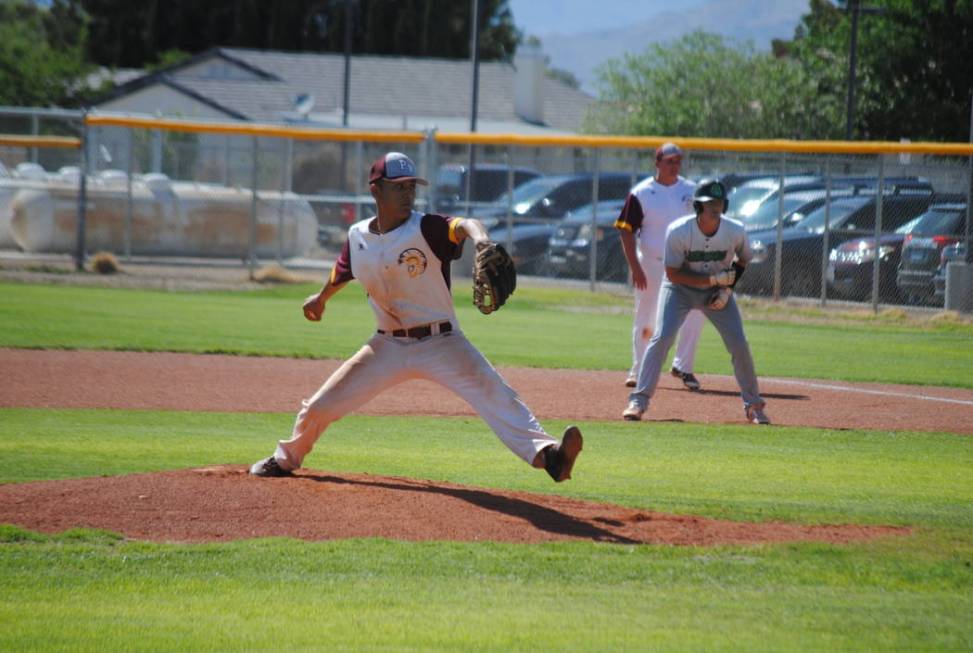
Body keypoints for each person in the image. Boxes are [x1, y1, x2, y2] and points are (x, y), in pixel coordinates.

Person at [250, 152, 583, 481]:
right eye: (399, 186)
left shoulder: (427, 228)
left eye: (412, 186)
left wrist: (481, 240)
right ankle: (286, 459)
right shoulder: (357, 236)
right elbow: (344, 270)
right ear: (376, 190)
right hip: (386, 346)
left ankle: (551, 457)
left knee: (496, 393)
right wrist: (321, 299)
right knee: (321, 405)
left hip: (443, 342)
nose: (408, 193)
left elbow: (465, 224)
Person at [621, 179, 770, 425]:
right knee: (663, 338)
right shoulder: (679, 231)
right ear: (698, 207)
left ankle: (754, 405)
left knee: (739, 343)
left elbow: (743, 259)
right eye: (709, 202)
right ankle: (638, 401)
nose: (715, 206)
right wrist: (712, 279)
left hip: (717, 291)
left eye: (719, 202)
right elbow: (672, 273)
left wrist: (726, 291)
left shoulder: (734, 230)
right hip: (679, 289)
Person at [615, 142, 706, 392]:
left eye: (678, 161)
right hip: (652, 264)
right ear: (657, 163)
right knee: (646, 317)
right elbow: (626, 232)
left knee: (696, 314)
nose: (674, 165)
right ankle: (639, 367)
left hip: (686, 264)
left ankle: (683, 366)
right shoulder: (642, 193)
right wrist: (635, 267)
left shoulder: (691, 190)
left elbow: (705, 225)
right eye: (669, 161)